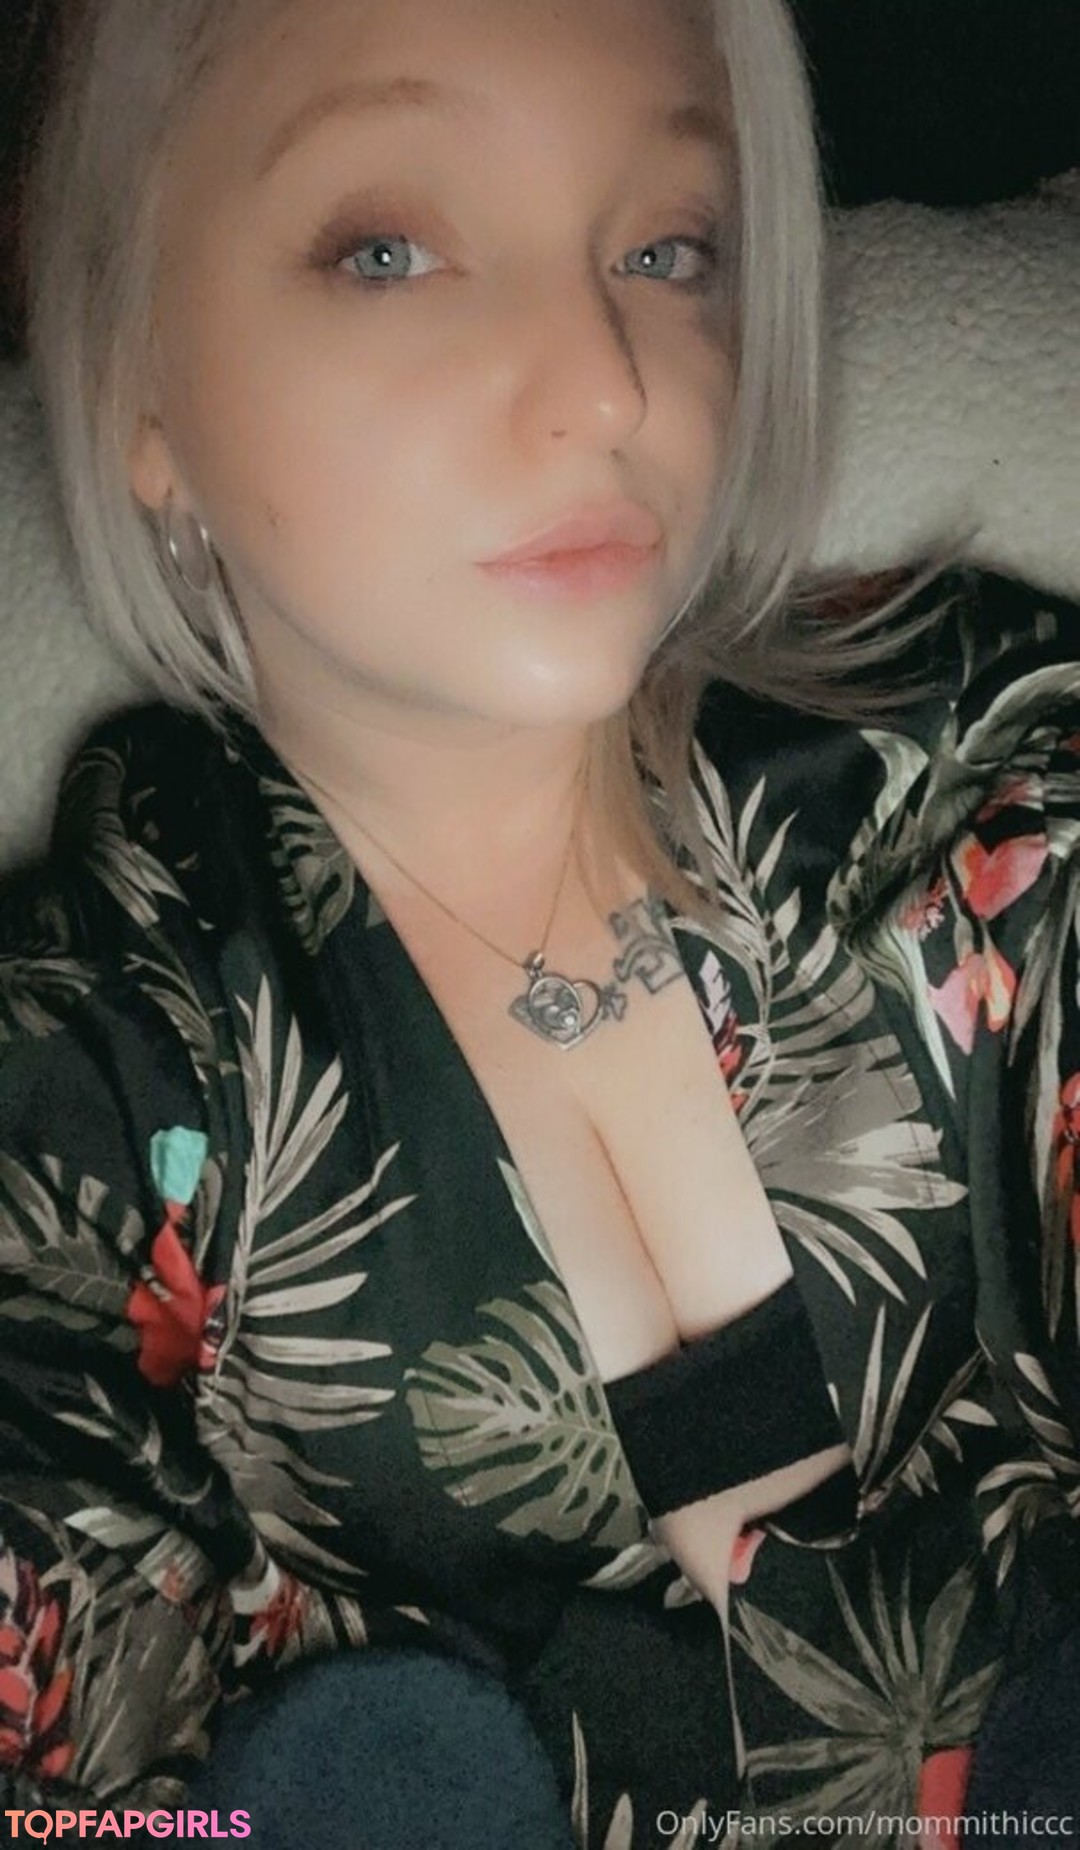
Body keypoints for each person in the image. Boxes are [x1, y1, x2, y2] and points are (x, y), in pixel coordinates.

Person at [0, 0, 1077, 1844]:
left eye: (667, 249)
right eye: (390, 250)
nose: (605, 381)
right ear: (142, 393)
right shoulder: (93, 1075)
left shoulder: (966, 770)